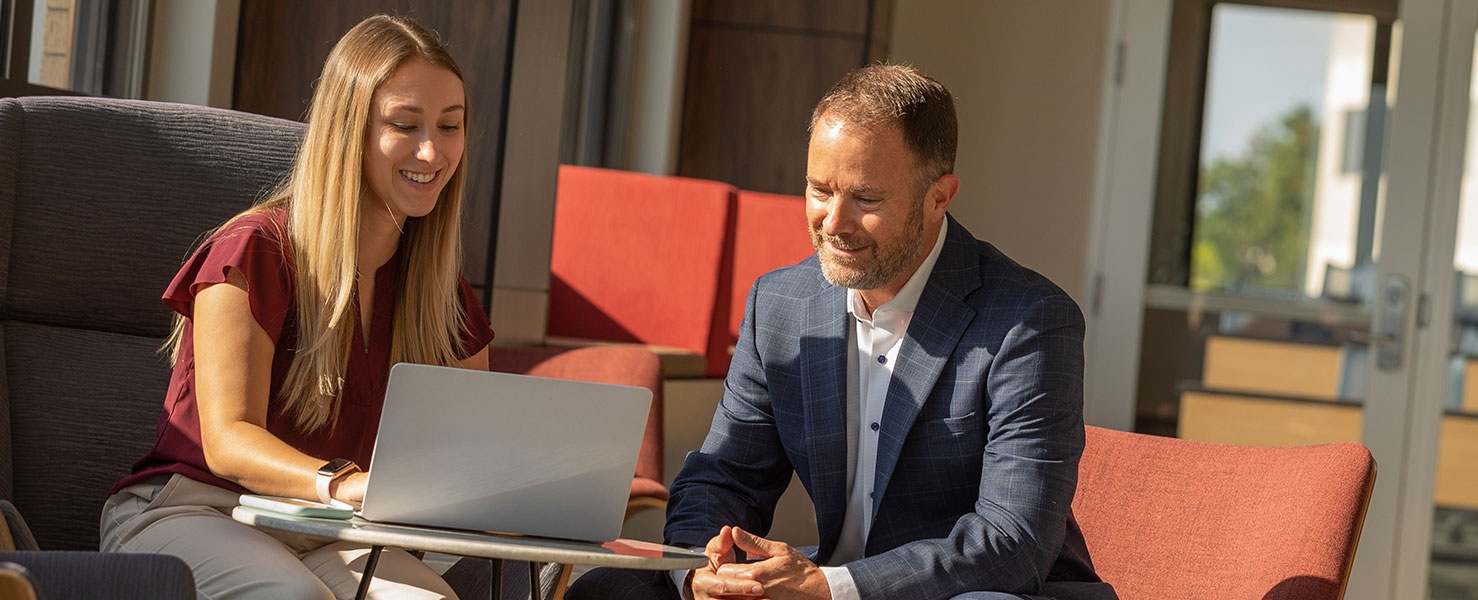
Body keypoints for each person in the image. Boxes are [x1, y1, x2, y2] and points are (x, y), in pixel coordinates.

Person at [569, 65, 1114, 600]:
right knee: (610, 587)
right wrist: (704, 570)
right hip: (825, 576)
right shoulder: (780, 305)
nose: (833, 222)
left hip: (967, 589)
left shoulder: (1030, 321)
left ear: (939, 197)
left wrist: (829, 587)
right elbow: (724, 477)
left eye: (866, 199)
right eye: (819, 190)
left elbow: (1011, 542)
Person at [98, 15, 492, 600]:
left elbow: (475, 447)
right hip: (194, 512)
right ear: (347, 131)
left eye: (450, 126)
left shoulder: (440, 292)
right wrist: (346, 483)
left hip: (332, 533)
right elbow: (229, 440)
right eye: (405, 125)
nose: (432, 151)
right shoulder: (253, 251)